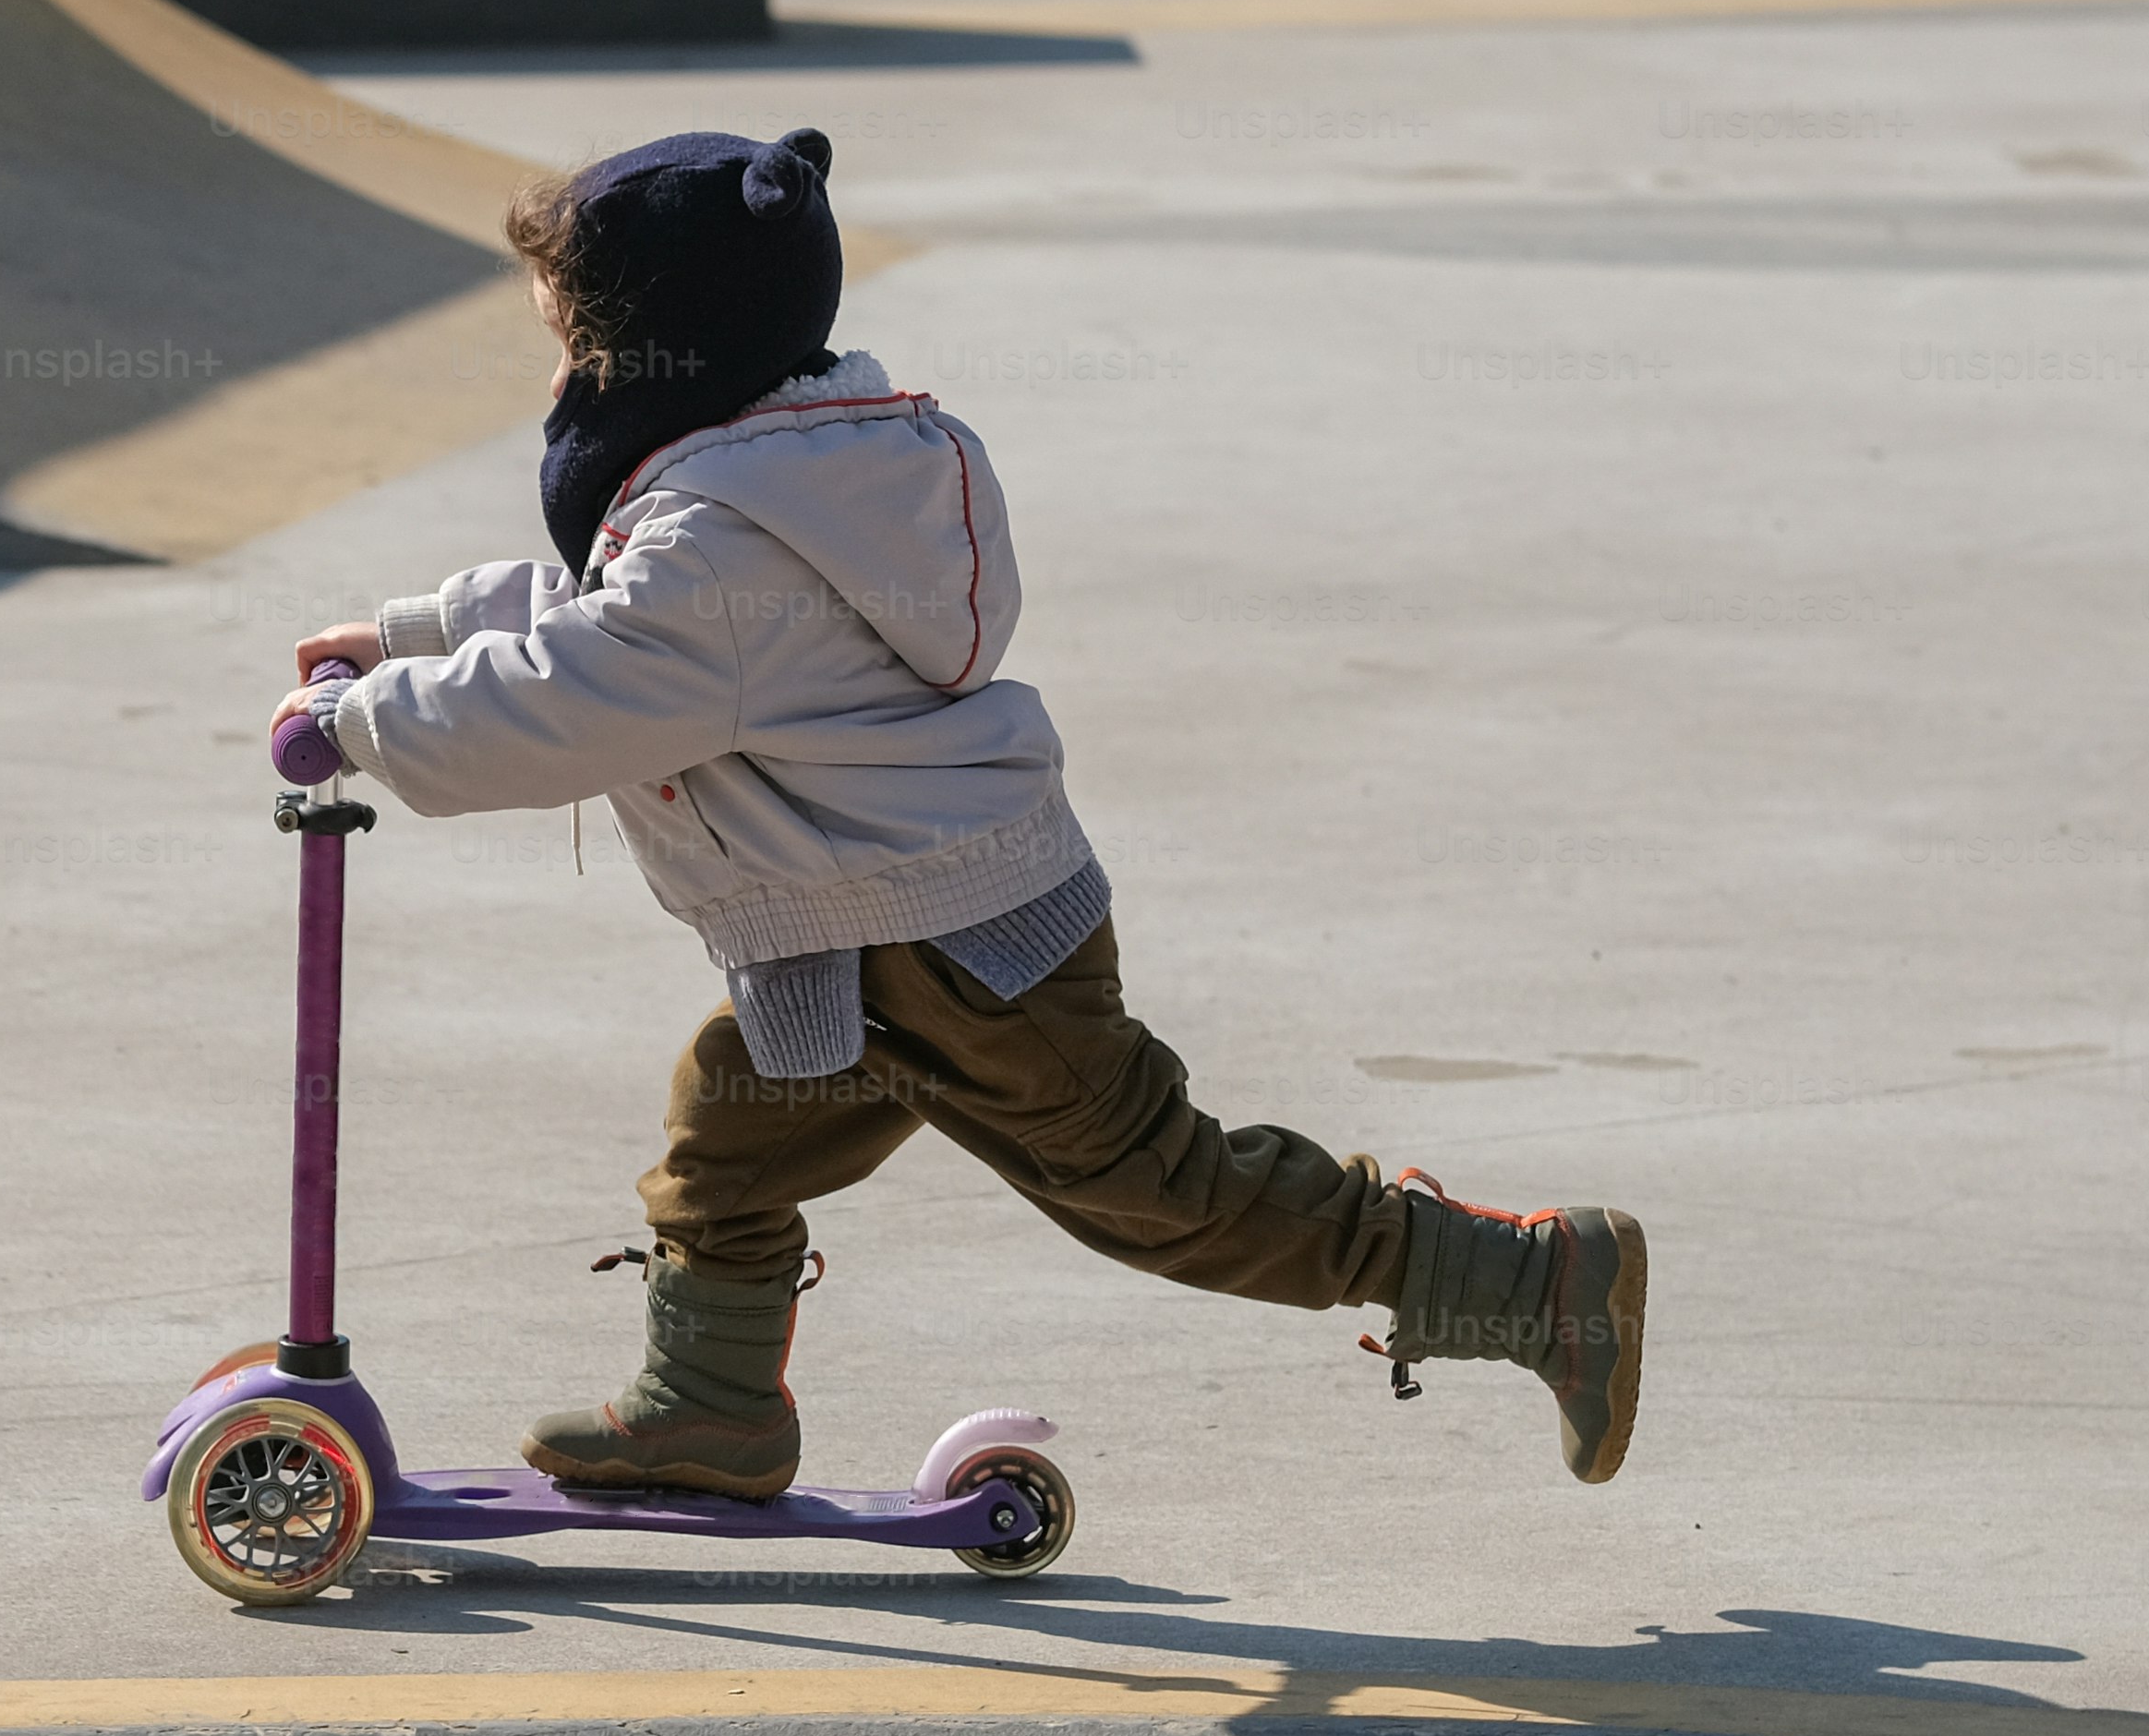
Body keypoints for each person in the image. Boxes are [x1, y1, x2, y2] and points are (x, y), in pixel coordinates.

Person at [275, 126, 1644, 1500]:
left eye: (568, 340)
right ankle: (710, 1405)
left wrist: (361, 723)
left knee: (1161, 1192)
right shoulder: (774, 485)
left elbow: (589, 688)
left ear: (658, 352)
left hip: (969, 950)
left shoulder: (719, 538)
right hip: (846, 931)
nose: (559, 373)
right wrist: (416, 632)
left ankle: (1530, 1281)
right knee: (725, 1138)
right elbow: (604, 617)